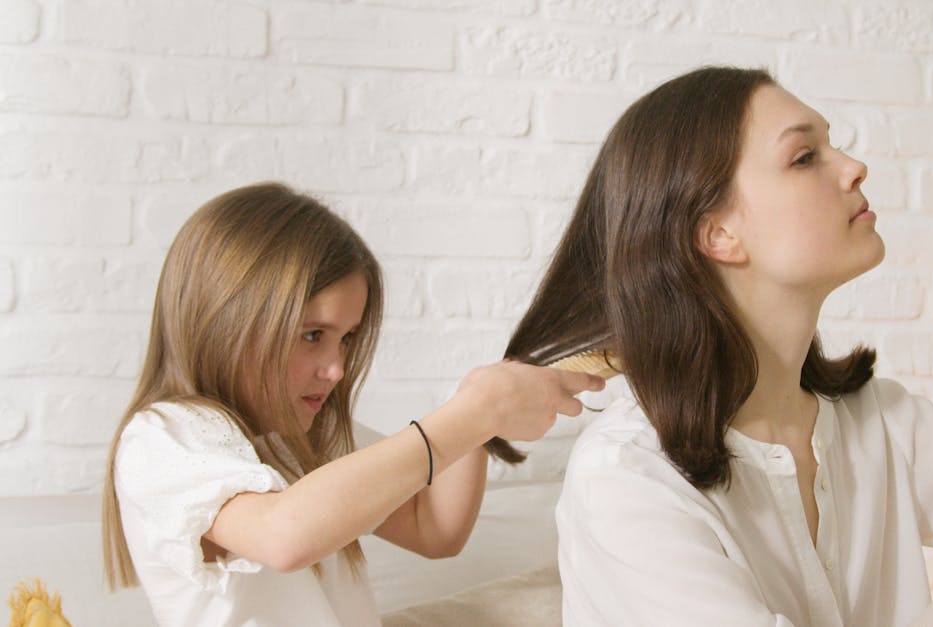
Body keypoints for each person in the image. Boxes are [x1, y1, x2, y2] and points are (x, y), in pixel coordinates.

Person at [504, 66, 933, 626]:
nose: (854, 165)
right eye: (806, 156)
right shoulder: (626, 476)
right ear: (718, 233)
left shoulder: (877, 423)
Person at [100, 182, 603, 626]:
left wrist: (479, 403)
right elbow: (284, 537)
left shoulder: (310, 437)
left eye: (346, 339)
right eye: (313, 335)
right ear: (226, 320)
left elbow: (436, 530)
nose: (336, 368)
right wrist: (469, 414)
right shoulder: (164, 436)